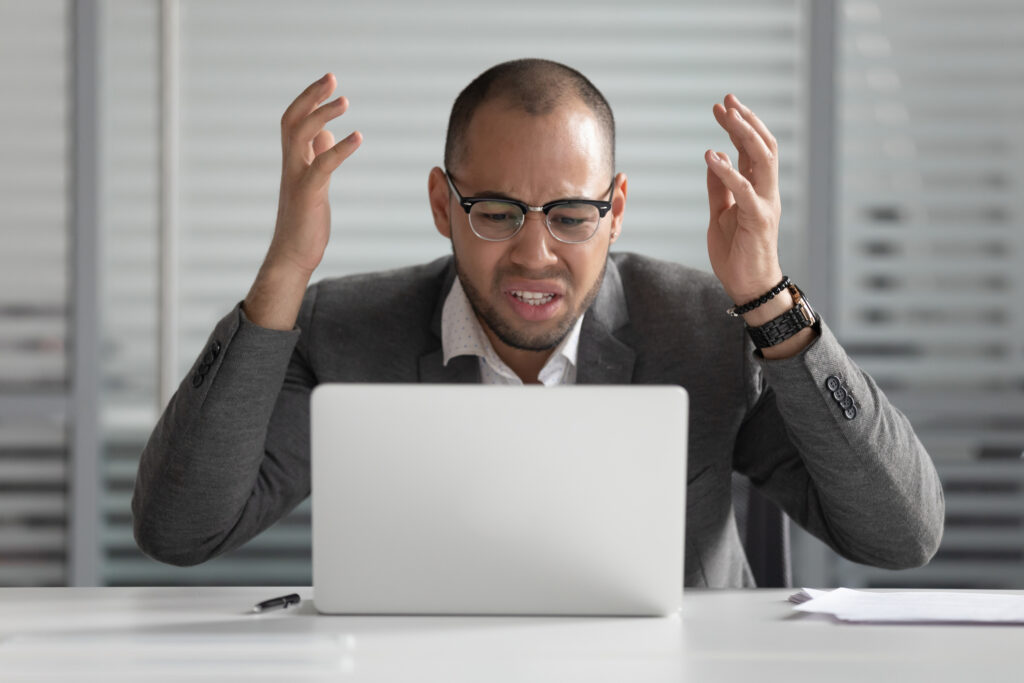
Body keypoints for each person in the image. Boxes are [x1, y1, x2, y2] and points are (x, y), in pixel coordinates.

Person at [132, 59, 944, 587]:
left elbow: (901, 532)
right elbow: (179, 528)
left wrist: (768, 298)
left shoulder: (705, 329)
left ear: (616, 210)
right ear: (441, 206)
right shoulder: (347, 327)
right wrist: (283, 271)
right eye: (494, 211)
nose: (533, 253)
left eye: (570, 214)